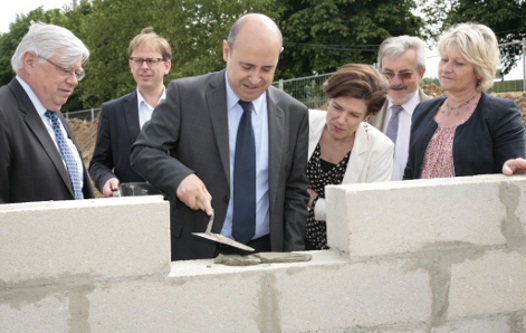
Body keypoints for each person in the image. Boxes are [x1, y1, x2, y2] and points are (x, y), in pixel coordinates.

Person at [130, 13, 309, 260]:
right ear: (227, 51)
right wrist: (181, 178)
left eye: (267, 69)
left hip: (266, 253)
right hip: (197, 252)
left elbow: (295, 191)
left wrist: (293, 257)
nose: (255, 79)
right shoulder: (187, 96)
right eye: (246, 66)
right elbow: (143, 151)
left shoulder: (294, 113)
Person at [404, 23, 525, 180]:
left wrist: (511, 166)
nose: (446, 69)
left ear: (480, 71)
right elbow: (411, 169)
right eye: (444, 59)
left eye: (458, 63)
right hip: (421, 204)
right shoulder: (423, 110)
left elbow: (511, 166)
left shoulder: (501, 113)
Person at [0, 22, 94, 204]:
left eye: (77, 72)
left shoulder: (53, 116)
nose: (74, 81)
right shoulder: (3, 113)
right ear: (29, 62)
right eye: (66, 70)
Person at [306, 64, 394, 250]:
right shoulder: (302, 123)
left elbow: (369, 212)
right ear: (328, 99)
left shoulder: (379, 149)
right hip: (289, 239)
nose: (341, 120)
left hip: (342, 248)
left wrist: (315, 203)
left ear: (368, 116)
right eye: (337, 107)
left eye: (354, 115)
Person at [89, 27, 172, 197]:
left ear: (167, 66)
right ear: (130, 65)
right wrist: (106, 179)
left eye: (151, 60)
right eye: (138, 60)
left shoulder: (184, 107)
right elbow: (99, 163)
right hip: (132, 210)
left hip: (179, 208)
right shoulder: (112, 111)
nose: (144, 67)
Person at [368, 35, 430, 181]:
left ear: (420, 73)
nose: (395, 81)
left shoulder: (437, 114)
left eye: (405, 74)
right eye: (388, 74)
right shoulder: (367, 111)